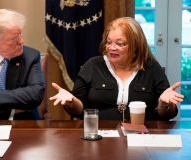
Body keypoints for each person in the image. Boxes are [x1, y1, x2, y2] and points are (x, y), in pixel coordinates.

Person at [50, 17, 184, 120]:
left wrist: (164, 104)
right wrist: (71, 101)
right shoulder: (92, 65)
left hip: (142, 137)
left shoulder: (151, 68)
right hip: (99, 134)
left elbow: (167, 115)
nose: (111, 48)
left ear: (136, 46)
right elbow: (79, 111)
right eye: (108, 42)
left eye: (120, 44)